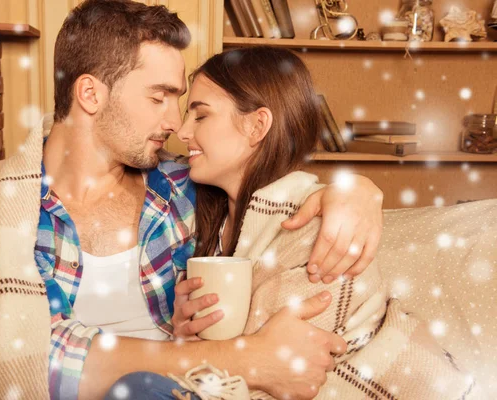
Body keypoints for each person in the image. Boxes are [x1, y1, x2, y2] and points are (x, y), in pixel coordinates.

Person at [0, 1, 384, 399]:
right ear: (90, 93)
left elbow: (274, 192)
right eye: (159, 97)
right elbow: (22, 355)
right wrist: (243, 357)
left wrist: (356, 191)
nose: (175, 122)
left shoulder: (188, 189)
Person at [161, 46, 478, 399]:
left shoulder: (313, 229)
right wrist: (188, 339)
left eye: (200, 116)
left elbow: (288, 372)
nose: (183, 130)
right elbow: (231, 359)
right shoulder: (200, 213)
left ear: (256, 126)